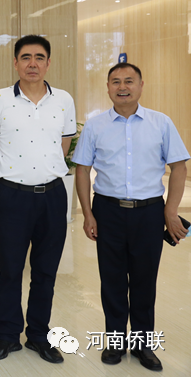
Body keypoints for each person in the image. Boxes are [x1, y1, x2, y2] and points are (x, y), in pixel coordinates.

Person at [72, 63, 188, 372]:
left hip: (149, 213)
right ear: (108, 87)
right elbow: (82, 170)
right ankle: (114, 342)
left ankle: (142, 345)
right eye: (115, 81)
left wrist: (170, 210)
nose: (122, 87)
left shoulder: (161, 123)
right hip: (108, 211)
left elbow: (179, 167)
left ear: (140, 85)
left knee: (143, 281)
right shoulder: (95, 126)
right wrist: (88, 213)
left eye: (129, 81)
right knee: (111, 280)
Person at [0, 35, 76, 364]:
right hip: (13, 197)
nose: (32, 63)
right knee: (10, 269)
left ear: (48, 63)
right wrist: (11, 172)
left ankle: (38, 335)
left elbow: (63, 145)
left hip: (52, 196)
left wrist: (44, 171)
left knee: (45, 271)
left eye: (39, 57)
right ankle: (7, 335)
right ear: (15, 63)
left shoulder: (63, 100)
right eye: (25, 57)